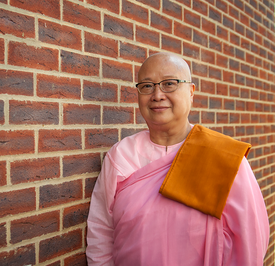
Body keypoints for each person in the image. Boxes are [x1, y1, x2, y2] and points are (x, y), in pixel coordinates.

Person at [86, 52, 269, 265]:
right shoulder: (121, 155)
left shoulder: (223, 156)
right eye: (146, 86)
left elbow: (250, 238)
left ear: (191, 92)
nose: (157, 95)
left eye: (169, 84)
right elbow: (101, 230)